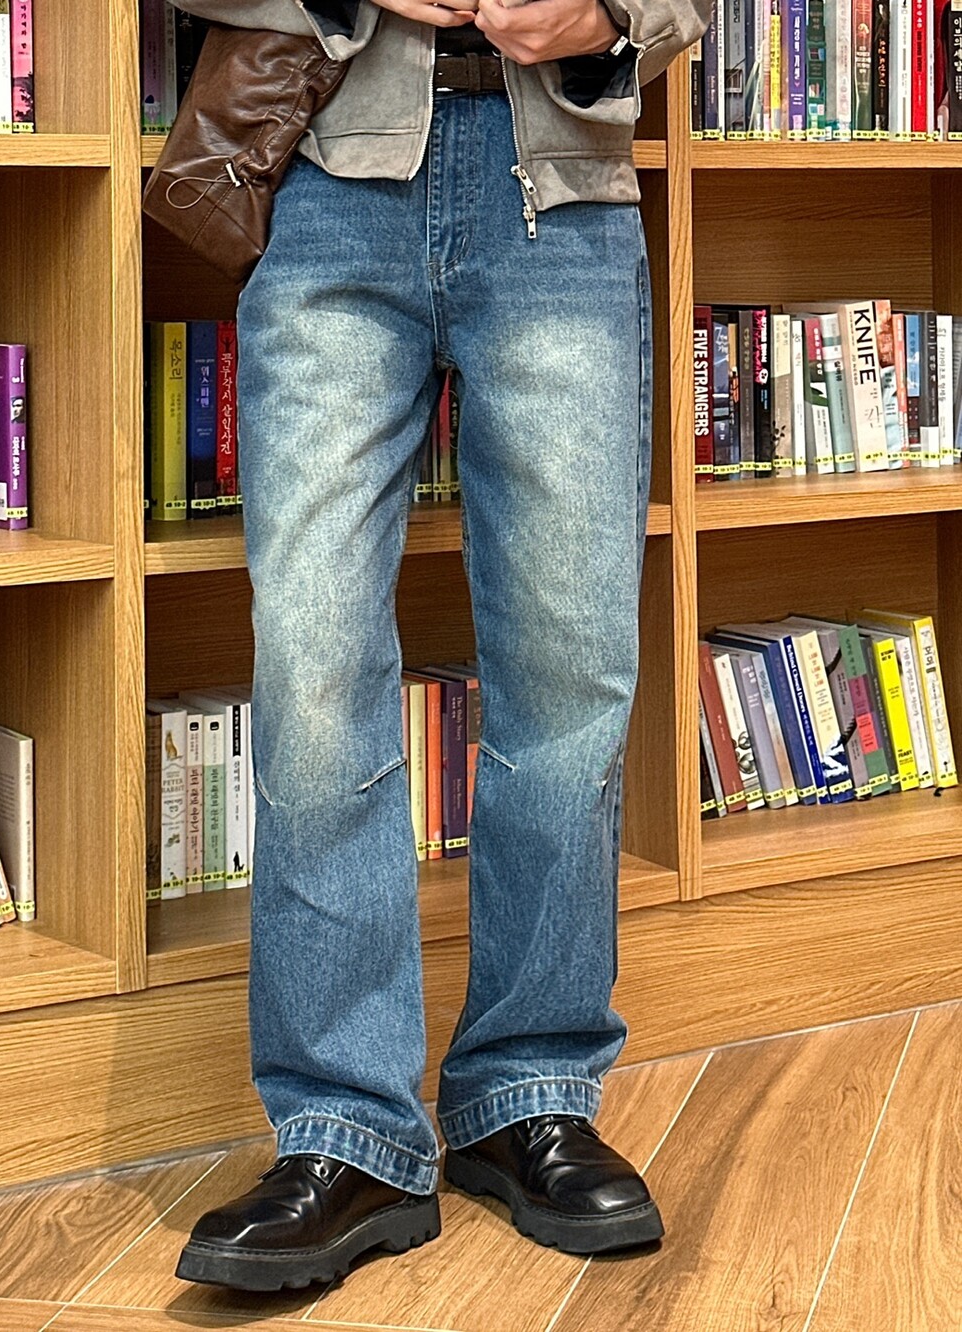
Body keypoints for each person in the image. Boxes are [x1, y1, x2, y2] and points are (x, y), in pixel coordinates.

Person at [173, 0, 709, 1293]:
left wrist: (609, 13)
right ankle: (342, 1130)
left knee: (571, 672)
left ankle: (529, 1092)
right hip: (326, 184)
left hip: (562, 202)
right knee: (312, 666)